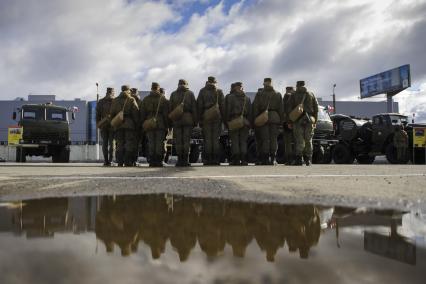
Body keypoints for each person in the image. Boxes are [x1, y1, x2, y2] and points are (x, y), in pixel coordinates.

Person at [252, 78, 283, 165]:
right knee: (274, 139)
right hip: (275, 118)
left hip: (263, 118)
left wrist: (255, 119)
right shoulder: (277, 94)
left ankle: (265, 159)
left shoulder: (259, 94)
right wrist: (281, 122)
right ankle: (273, 159)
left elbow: (255, 108)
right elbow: (281, 109)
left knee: (265, 139)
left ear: (264, 84)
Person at [288, 81, 318, 166]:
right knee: (309, 140)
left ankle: (299, 159)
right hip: (309, 120)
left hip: (298, 120)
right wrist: (315, 121)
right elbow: (316, 109)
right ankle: (308, 159)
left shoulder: (293, 95)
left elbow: (289, 108)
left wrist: (289, 121)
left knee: (299, 140)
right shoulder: (311, 94)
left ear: (297, 86)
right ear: (304, 85)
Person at [197, 76, 225, 165]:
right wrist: (223, 119)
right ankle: (215, 159)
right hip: (217, 117)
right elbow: (223, 106)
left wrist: (200, 119)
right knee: (216, 139)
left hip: (206, 116)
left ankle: (207, 159)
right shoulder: (219, 91)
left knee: (207, 139)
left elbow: (199, 106)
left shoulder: (202, 91)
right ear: (215, 82)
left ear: (207, 81)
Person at [140, 82, 169, 167]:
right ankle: (159, 161)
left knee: (151, 142)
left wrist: (144, 122)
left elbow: (142, 113)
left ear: (151, 88)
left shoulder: (146, 99)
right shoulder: (163, 99)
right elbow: (166, 114)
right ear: (158, 88)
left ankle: (152, 161)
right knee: (160, 143)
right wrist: (167, 125)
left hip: (149, 123)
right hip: (160, 124)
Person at [169, 79, 197, 167]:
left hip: (177, 119)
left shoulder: (173, 94)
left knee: (178, 141)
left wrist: (171, 121)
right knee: (186, 141)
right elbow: (194, 109)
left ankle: (179, 160)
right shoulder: (190, 94)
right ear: (186, 84)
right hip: (188, 119)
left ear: (178, 84)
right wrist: (195, 121)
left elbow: (170, 108)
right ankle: (185, 160)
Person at [109, 85, 139, 166]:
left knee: (119, 143)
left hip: (118, 124)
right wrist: (136, 124)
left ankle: (120, 161)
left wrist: (115, 122)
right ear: (128, 90)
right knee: (129, 143)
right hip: (129, 124)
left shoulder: (115, 100)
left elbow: (111, 113)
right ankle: (128, 161)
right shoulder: (131, 99)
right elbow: (136, 113)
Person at [225, 82, 252, 165]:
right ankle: (244, 160)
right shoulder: (247, 98)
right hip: (244, 121)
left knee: (235, 141)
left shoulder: (230, 97)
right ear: (241, 87)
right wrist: (249, 123)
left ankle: (236, 160)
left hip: (234, 120)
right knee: (243, 141)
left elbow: (227, 111)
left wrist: (227, 122)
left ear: (235, 87)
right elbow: (250, 112)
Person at [96, 87, 115, 166]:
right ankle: (110, 160)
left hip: (103, 125)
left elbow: (97, 115)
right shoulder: (115, 101)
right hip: (112, 125)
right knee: (112, 144)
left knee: (104, 143)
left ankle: (106, 161)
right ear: (113, 92)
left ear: (106, 92)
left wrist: (98, 124)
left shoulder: (100, 102)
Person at [283, 86, 295, 165]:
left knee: (288, 142)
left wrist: (287, 122)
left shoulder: (286, 97)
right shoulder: (296, 97)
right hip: (296, 122)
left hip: (287, 122)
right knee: (296, 141)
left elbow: (285, 110)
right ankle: (296, 159)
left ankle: (289, 160)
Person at [130, 87, 141, 165]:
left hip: (128, 125)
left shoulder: (128, 100)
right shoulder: (140, 101)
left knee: (128, 143)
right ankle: (135, 160)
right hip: (137, 126)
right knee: (136, 144)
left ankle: (128, 160)